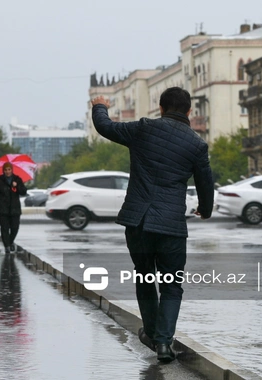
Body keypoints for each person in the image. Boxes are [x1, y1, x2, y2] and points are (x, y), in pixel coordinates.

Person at [91, 87, 215, 363]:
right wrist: (204, 210)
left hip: (138, 222)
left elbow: (105, 126)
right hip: (171, 225)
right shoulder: (197, 145)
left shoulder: (144, 129)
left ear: (160, 108)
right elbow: (206, 184)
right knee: (171, 285)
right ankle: (163, 343)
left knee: (145, 276)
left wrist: (100, 105)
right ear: (189, 111)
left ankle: (150, 332)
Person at [0, 162, 27, 254]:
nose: (7, 171)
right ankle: (6, 246)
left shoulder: (17, 179)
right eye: (6, 170)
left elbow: (23, 191)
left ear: (12, 170)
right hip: (2, 209)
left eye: (9, 169)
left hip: (15, 209)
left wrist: (16, 186)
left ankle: (10, 242)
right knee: (4, 228)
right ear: (3, 171)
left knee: (15, 228)